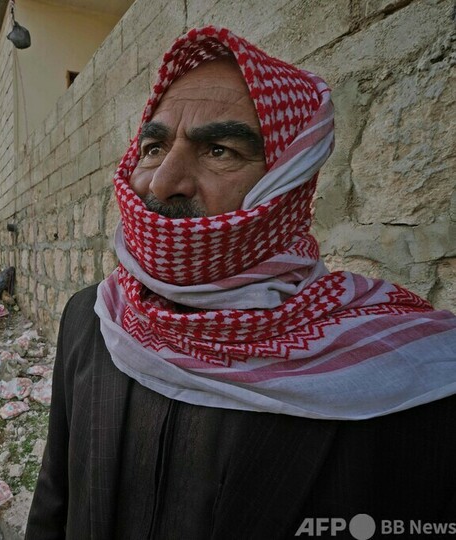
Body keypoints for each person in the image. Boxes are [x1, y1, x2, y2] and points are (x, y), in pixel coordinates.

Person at [26, 26, 456, 539]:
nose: (162, 182)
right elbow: (54, 500)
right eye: (154, 147)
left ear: (287, 182)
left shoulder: (405, 376)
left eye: (220, 151)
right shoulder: (91, 318)